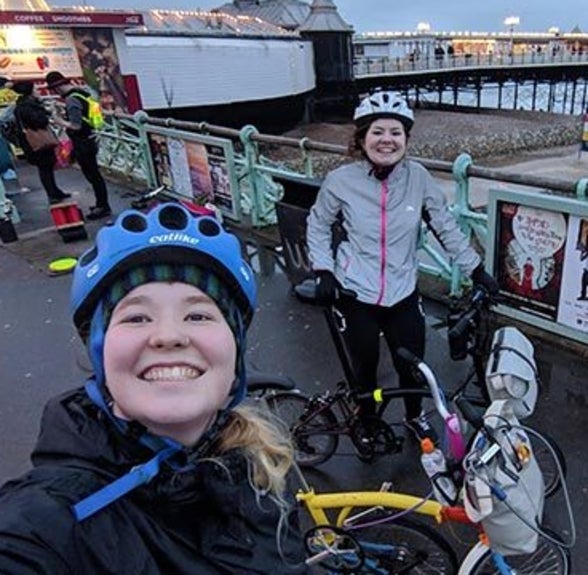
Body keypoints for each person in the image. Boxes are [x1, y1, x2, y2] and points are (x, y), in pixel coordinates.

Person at [0, 203, 309, 574]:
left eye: (198, 315)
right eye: (136, 316)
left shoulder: (262, 467)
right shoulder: (50, 519)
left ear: (235, 349)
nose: (168, 336)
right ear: (100, 350)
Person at [306, 91, 499, 444]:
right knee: (363, 368)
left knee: (412, 367)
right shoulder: (341, 180)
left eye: (395, 132)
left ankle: (413, 419)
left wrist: (476, 270)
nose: (386, 140)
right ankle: (365, 421)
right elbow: (318, 224)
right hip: (355, 291)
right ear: (361, 138)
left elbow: (445, 227)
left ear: (406, 139)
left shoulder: (419, 178)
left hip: (402, 292)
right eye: (377, 132)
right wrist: (324, 270)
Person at [44, 70, 111, 220]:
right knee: (94, 175)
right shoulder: (82, 94)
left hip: (82, 141)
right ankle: (102, 203)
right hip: (91, 137)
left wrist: (59, 121)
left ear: (57, 88)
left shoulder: (71, 100)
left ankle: (103, 206)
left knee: (93, 175)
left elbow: (76, 125)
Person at [12, 81, 71, 205]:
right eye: (36, 90)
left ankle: (54, 191)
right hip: (37, 142)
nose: (38, 92)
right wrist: (45, 113)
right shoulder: (27, 107)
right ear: (30, 92)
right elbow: (39, 121)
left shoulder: (21, 106)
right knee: (45, 169)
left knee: (46, 169)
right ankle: (52, 194)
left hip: (32, 143)